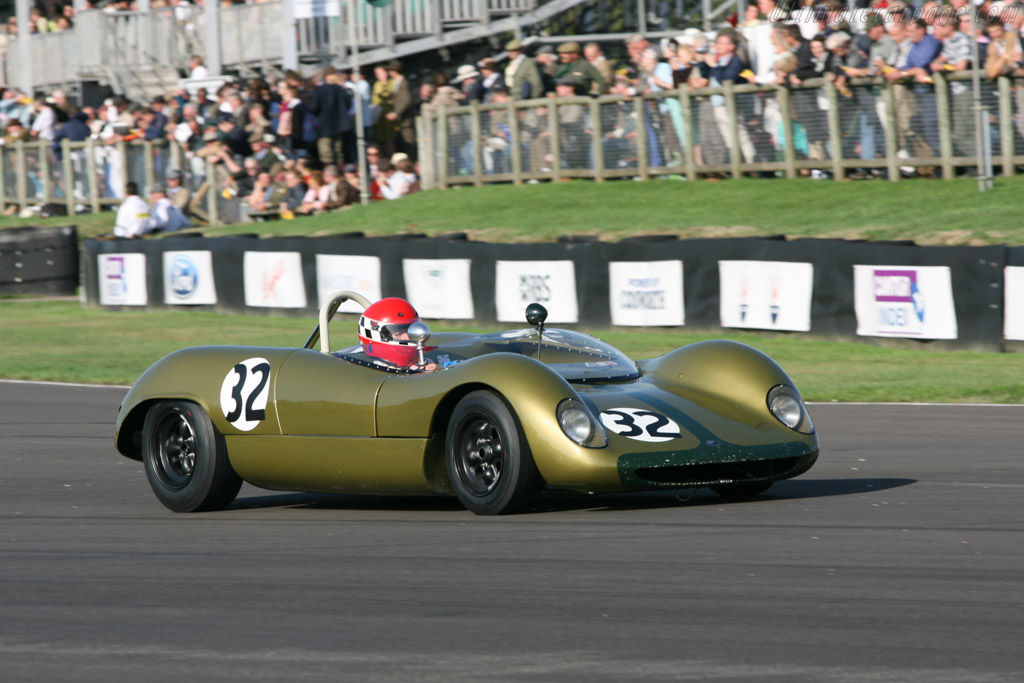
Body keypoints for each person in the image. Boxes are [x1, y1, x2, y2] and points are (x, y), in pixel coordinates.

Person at [357, 298, 436, 372]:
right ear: (374, 335)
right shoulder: (363, 369)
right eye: (398, 334)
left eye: (410, 330)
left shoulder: (423, 359)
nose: (407, 337)